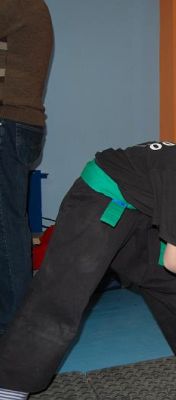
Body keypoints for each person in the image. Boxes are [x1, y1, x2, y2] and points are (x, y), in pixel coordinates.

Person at [0, 125, 176, 399]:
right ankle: (10, 382)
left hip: (136, 212)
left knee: (166, 278)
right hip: (99, 198)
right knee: (63, 293)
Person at [0, 0, 53, 338]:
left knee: (6, 225)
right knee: (8, 222)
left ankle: (14, 331)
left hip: (8, 121)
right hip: (19, 123)